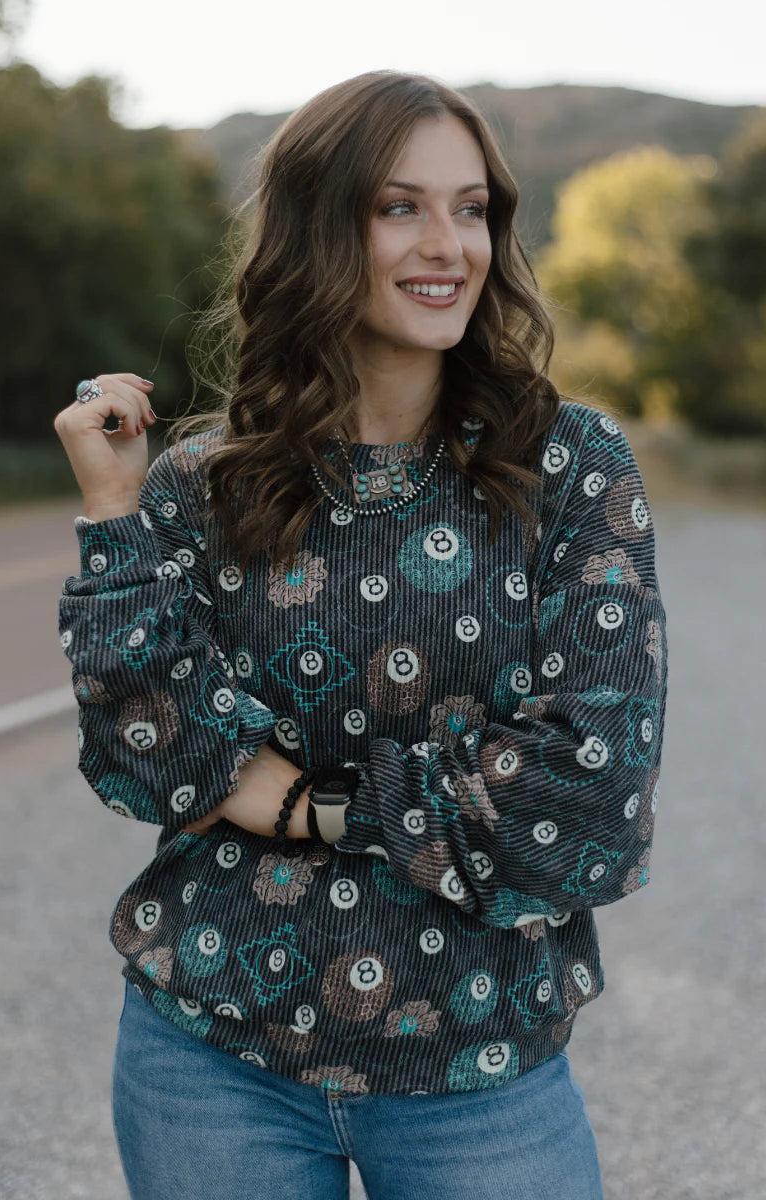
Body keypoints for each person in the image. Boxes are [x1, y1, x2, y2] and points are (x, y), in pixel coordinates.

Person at [54, 70, 668, 1200]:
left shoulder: (570, 465)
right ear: (316, 230)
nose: (448, 245)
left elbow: (588, 798)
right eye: (398, 207)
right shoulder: (201, 484)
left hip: (479, 1070)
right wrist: (113, 512)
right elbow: (146, 756)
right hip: (211, 1058)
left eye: (470, 208)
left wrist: (301, 802)